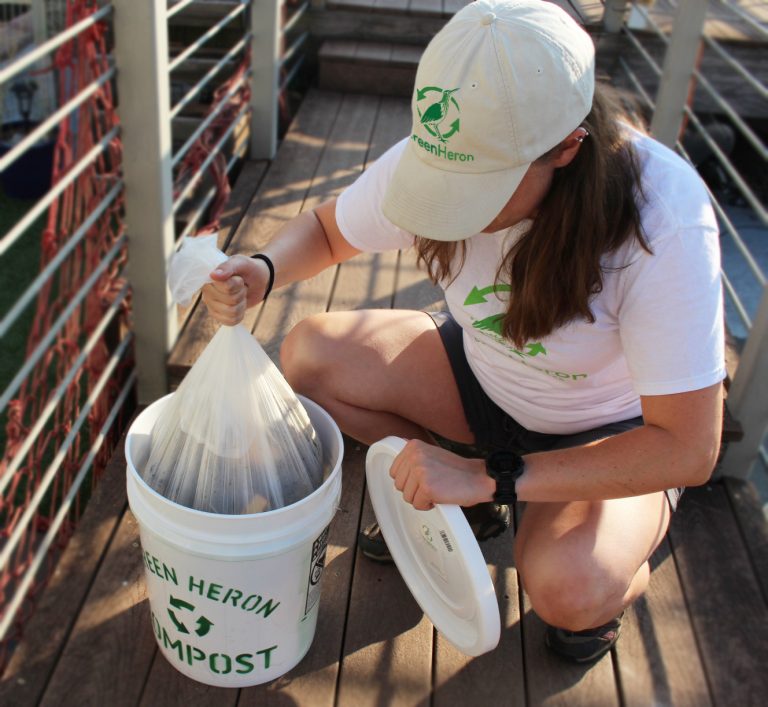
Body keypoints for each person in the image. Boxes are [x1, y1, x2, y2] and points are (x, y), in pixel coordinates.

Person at [201, 0, 725, 664]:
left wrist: (492, 474)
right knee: (310, 356)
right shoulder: (453, 137)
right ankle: (462, 505)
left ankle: (540, 543)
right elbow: (331, 230)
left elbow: (687, 449)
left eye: (482, 186)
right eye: (441, 176)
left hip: (607, 433)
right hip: (481, 381)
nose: (450, 206)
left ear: (567, 147)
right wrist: (265, 267)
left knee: (570, 587)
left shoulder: (663, 219)